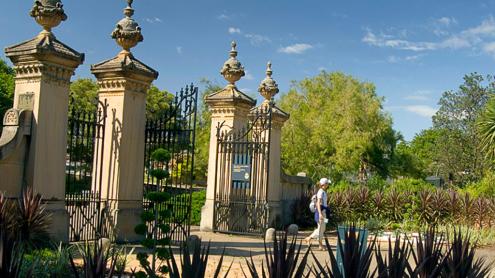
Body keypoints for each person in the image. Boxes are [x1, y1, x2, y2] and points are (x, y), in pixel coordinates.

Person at [305, 178, 330, 250]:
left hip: (323, 212)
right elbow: (318, 203)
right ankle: (318, 243)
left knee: (323, 228)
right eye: (327, 183)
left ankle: (313, 240)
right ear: (324, 184)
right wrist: (320, 214)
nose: (328, 185)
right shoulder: (320, 192)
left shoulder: (323, 192)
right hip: (321, 212)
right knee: (320, 229)